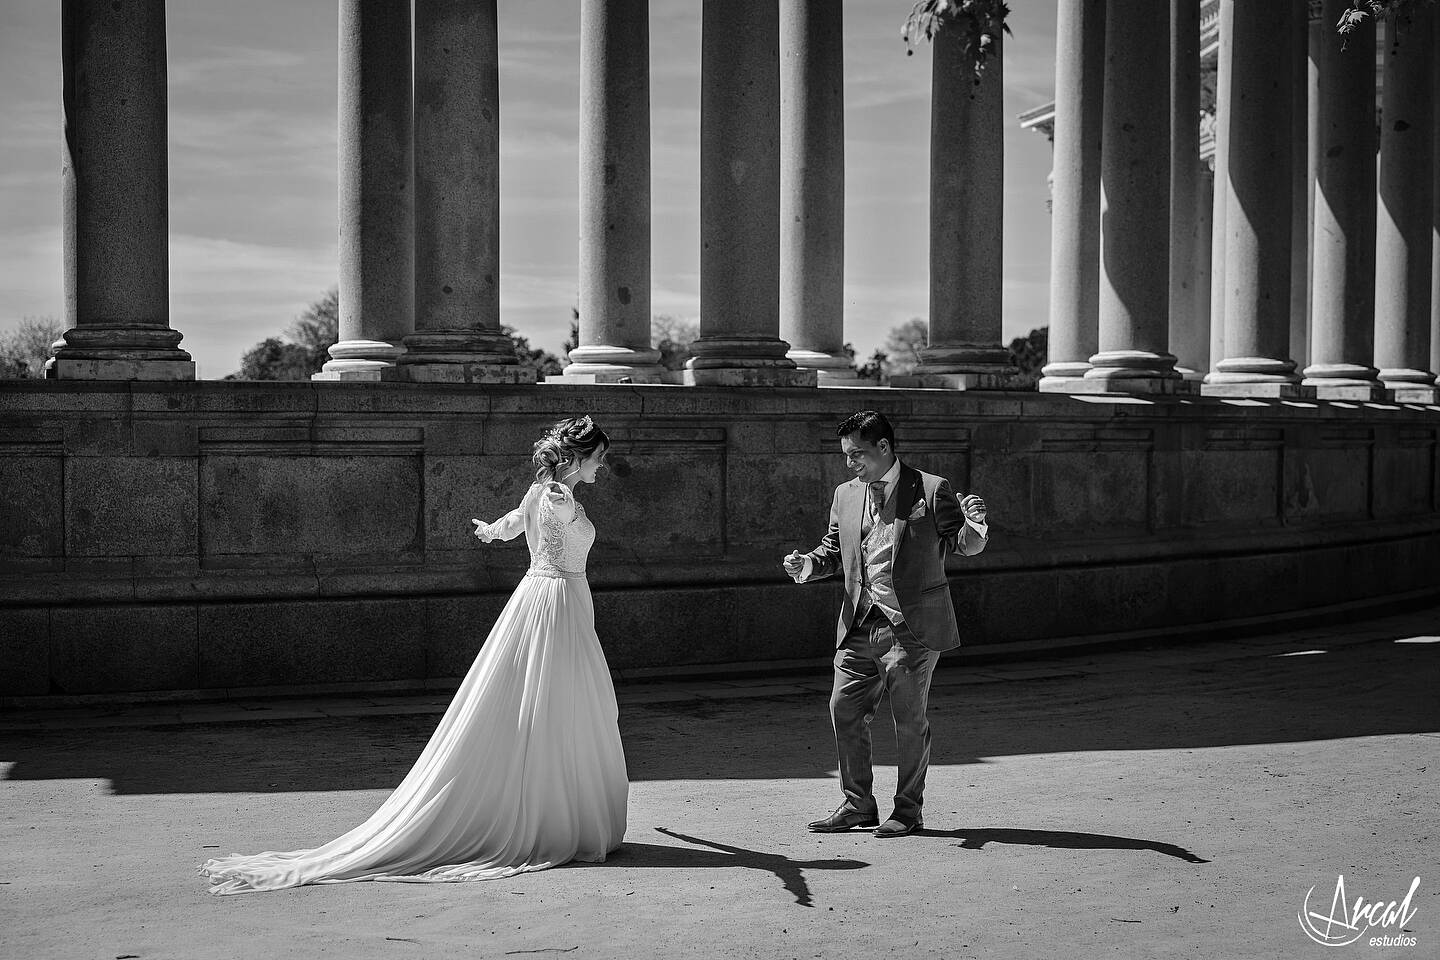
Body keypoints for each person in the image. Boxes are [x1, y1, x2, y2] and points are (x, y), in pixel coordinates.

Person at [200, 415, 627, 894]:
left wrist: (491, 531)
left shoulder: (541, 493)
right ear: (577, 457)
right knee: (556, 699)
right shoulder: (558, 497)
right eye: (599, 457)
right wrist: (536, 511)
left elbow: (513, 525)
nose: (602, 465)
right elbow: (543, 517)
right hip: (556, 601)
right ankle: (554, 815)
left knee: (554, 699)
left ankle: (556, 805)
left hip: (550, 598)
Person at [783, 410, 988, 838]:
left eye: (857, 453)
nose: (850, 463)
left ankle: (908, 811)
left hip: (911, 627)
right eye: (845, 455)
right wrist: (807, 565)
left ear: (884, 447)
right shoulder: (845, 494)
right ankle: (858, 804)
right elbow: (834, 550)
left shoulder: (931, 489)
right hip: (859, 622)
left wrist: (977, 524)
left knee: (909, 721)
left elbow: (964, 545)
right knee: (843, 708)